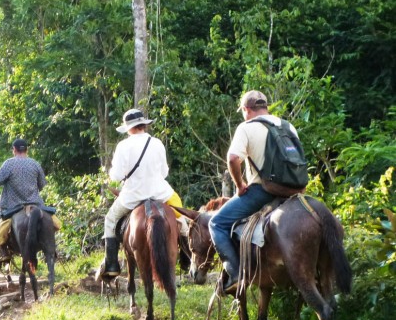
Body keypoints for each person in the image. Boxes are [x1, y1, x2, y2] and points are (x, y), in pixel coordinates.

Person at [209, 90, 301, 293]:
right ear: (266, 106)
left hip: (264, 191)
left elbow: (233, 158)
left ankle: (234, 273)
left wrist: (240, 185)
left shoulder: (246, 127)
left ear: (246, 110)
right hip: (295, 191)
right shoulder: (288, 126)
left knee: (216, 223)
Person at [96, 108, 190, 280]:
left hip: (132, 196)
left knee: (110, 220)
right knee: (182, 219)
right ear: (143, 125)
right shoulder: (157, 143)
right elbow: (164, 172)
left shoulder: (123, 146)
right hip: (161, 193)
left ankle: (111, 265)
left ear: (129, 128)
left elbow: (116, 176)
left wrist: (113, 173)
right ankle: (187, 258)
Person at [0, 138, 46, 259]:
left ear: (14, 150)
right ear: (27, 150)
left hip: (12, 205)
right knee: (50, 219)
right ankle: (51, 248)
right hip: (35, 204)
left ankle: (2, 251)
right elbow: (42, 184)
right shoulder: (35, 164)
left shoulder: (9, 163)